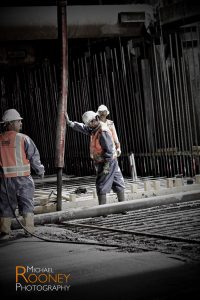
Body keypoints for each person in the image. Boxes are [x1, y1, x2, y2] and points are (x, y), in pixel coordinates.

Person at [0, 109, 45, 240]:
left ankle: (4, 231)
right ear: (10, 123)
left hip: (5, 181)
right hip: (23, 179)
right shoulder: (23, 139)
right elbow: (34, 157)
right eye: (18, 121)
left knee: (5, 205)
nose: (20, 123)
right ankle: (29, 229)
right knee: (26, 203)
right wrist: (40, 170)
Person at [66, 111, 125, 205]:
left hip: (107, 162)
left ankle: (103, 210)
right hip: (112, 161)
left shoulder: (102, 132)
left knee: (101, 183)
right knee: (117, 181)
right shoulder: (94, 128)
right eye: (88, 123)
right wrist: (71, 123)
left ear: (95, 119)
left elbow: (109, 150)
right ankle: (123, 207)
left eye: (90, 122)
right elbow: (84, 128)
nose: (89, 125)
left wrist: (106, 165)